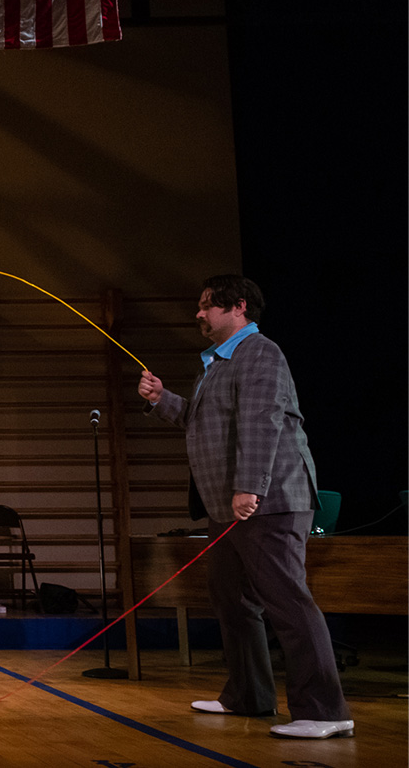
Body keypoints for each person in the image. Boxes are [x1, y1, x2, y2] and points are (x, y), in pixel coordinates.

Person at [137, 275, 353, 740]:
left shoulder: (259, 352)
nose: (198, 314)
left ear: (237, 307)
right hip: (229, 505)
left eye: (205, 306)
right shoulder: (216, 364)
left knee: (287, 601)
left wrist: (249, 487)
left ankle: (325, 710)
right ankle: (249, 695)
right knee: (231, 599)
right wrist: (162, 401)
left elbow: (263, 420)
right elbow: (204, 422)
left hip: (266, 501)